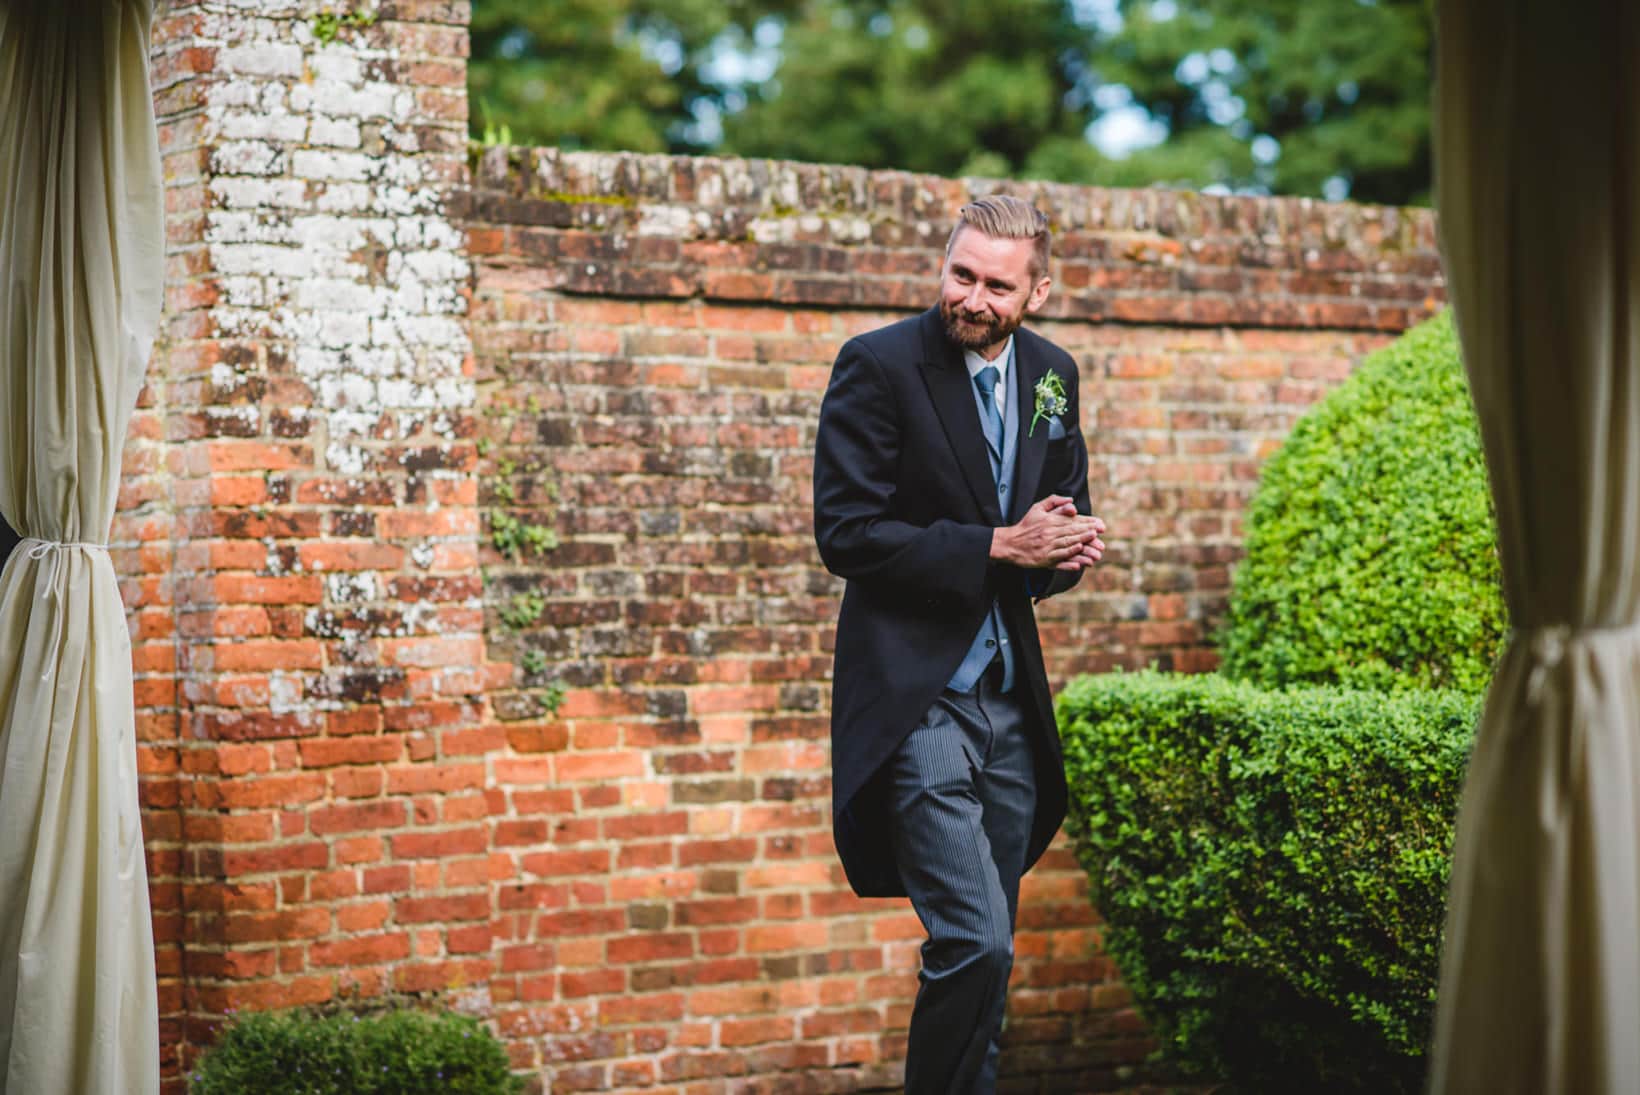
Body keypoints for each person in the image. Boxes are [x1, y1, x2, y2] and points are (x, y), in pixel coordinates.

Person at [813, 195, 1105, 1094]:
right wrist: (995, 544)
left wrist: (1065, 551)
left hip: (1011, 705)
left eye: (997, 284)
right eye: (960, 273)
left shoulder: (1053, 373)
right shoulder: (878, 365)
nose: (972, 297)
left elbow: (1049, 526)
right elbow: (847, 533)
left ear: (1039, 290)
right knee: (974, 939)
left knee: (993, 956)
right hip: (919, 702)